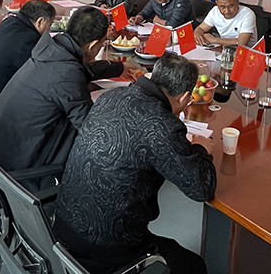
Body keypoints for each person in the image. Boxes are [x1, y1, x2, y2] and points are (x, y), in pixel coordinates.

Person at [54, 52, 216, 274]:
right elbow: (201, 188)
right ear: (185, 97)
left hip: (63, 227)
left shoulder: (111, 97)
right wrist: (202, 149)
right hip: (104, 246)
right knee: (194, 266)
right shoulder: (162, 126)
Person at [0, 6, 137, 179]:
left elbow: (78, 69)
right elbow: (90, 128)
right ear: (92, 45)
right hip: (18, 172)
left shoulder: (51, 50)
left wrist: (118, 67)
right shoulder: (67, 73)